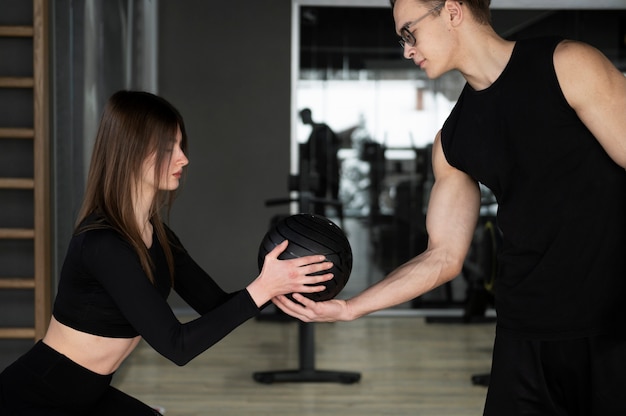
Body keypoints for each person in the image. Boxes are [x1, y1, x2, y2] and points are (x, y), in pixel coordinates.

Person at [274, 1, 626, 415]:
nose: (406, 49)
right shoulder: (452, 140)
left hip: (613, 329)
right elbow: (443, 256)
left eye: (410, 32)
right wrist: (351, 308)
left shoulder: (568, 66)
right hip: (524, 337)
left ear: (453, 12)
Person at [0, 90, 334, 415]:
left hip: (89, 395)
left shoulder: (157, 234)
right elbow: (178, 346)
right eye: (166, 147)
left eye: (179, 145)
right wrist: (263, 288)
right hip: (36, 399)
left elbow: (215, 306)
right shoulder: (102, 244)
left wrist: (280, 287)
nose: (183, 158)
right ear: (130, 153)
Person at [299, 108, 341, 215]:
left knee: (333, 198)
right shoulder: (315, 133)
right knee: (320, 201)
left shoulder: (322, 129)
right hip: (321, 172)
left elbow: (336, 143)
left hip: (329, 170)